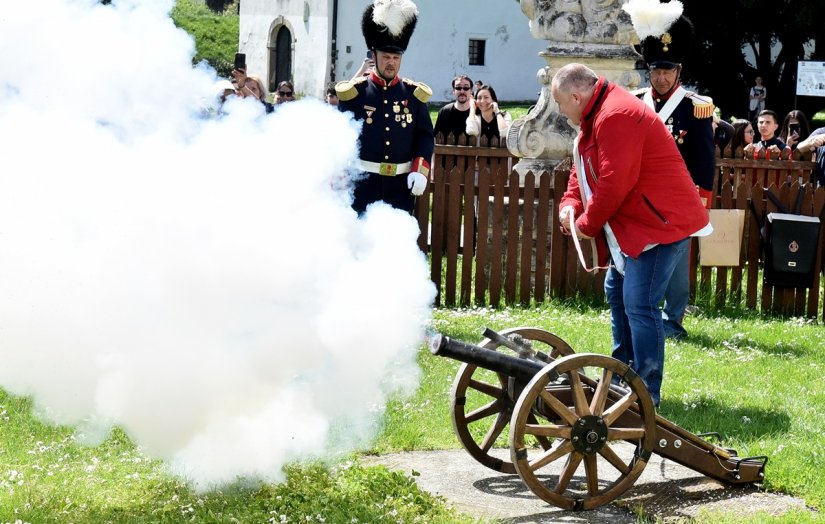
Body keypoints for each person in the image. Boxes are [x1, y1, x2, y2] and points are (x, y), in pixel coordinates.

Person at [552, 63, 710, 407]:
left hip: (657, 226)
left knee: (639, 304)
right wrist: (570, 203)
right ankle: (622, 377)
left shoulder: (616, 114)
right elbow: (582, 167)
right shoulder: (600, 111)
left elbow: (613, 183)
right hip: (639, 225)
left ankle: (645, 393)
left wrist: (585, 225)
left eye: (562, 104)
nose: (562, 113)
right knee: (619, 295)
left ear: (577, 96)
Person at [624, 0, 715, 339]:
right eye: (656, 71)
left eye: (668, 71)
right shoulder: (634, 102)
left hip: (677, 198)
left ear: (679, 71)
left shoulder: (696, 108)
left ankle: (672, 321)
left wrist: (700, 202)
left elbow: (704, 160)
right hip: (639, 196)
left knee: (676, 267)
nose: (661, 78)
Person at [335, 0, 434, 215]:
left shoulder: (413, 95)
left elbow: (425, 136)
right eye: (386, 57)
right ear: (374, 56)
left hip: (400, 187)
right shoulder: (355, 93)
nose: (391, 62)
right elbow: (339, 137)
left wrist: (420, 170)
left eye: (396, 58)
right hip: (363, 185)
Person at [433, 75, 473, 141]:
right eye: (458, 88)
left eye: (466, 88)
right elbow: (435, 136)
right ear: (453, 91)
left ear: (471, 91)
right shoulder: (444, 112)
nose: (462, 91)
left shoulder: (477, 112)